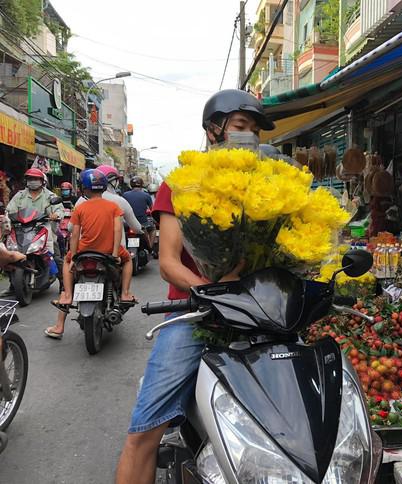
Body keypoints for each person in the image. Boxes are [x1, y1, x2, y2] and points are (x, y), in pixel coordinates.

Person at [116, 89, 274, 484]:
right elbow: (168, 262)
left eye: (254, 130)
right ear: (213, 130)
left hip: (258, 312)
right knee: (144, 431)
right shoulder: (182, 184)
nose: (248, 137)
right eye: (240, 127)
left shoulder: (268, 184)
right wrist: (209, 290)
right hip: (196, 310)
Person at [46, 165, 142, 339]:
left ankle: (67, 296)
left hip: (84, 251)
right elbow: (117, 230)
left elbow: (74, 234)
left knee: (67, 263)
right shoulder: (114, 206)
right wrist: (114, 254)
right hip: (108, 252)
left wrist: (74, 256)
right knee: (128, 260)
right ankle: (126, 293)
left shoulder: (81, 207)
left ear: (84, 188)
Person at [1, 168, 64, 295]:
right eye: (30, 179)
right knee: (8, 253)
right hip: (21, 228)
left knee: (53, 255)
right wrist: (7, 216)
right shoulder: (20, 195)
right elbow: (10, 209)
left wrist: (55, 215)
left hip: (43, 228)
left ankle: (63, 282)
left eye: (35, 179)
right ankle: (13, 285)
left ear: (42, 181)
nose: (32, 181)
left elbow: (59, 210)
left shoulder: (50, 196)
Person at [123, 177, 154, 249]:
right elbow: (152, 210)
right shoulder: (146, 195)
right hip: (143, 223)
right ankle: (150, 248)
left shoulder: (125, 195)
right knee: (153, 230)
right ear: (141, 185)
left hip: (128, 223)